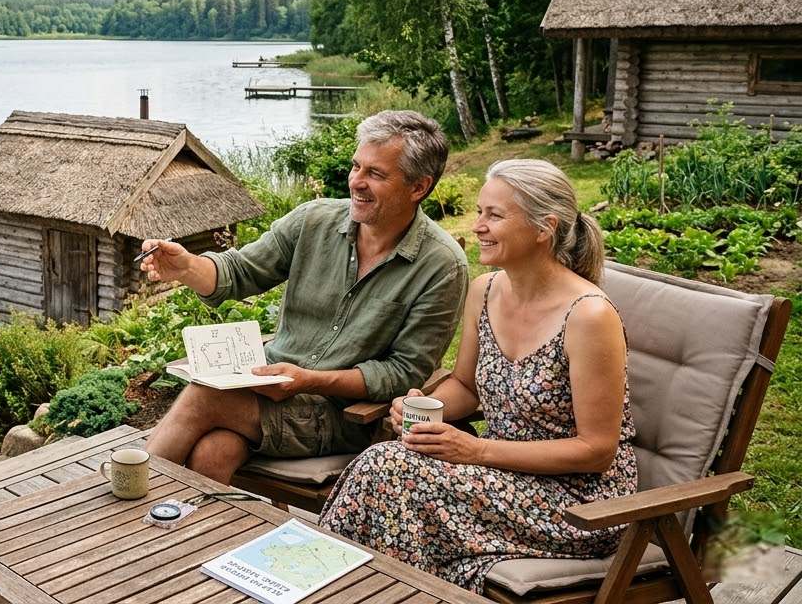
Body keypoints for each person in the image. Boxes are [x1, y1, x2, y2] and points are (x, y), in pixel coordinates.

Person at [318, 158, 637, 594]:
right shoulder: (486, 290)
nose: (478, 225)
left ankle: (334, 586)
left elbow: (596, 451)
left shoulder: (588, 316)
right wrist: (423, 412)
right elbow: (465, 387)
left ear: (544, 227)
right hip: (501, 479)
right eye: (480, 211)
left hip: (576, 503)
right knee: (386, 466)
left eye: (494, 215)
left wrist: (476, 449)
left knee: (389, 472)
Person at [140, 110, 469, 484]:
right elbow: (240, 271)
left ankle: (124, 508)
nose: (355, 182)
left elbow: (402, 373)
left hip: (344, 415)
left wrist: (309, 380)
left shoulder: (442, 266)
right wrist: (187, 268)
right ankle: (191, 537)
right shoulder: (313, 220)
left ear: (418, 187)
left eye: (375, 174)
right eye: (356, 166)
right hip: (266, 392)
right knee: (213, 452)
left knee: (204, 397)